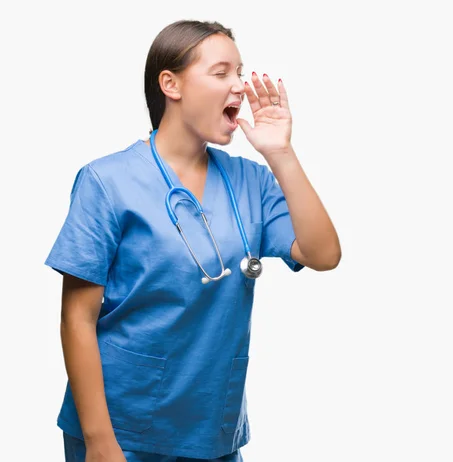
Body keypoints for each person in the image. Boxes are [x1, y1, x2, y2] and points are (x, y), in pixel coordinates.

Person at [44, 19, 341, 462]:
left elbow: (323, 254)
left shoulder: (251, 181)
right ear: (171, 84)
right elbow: (77, 319)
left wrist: (281, 153)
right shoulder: (107, 181)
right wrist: (100, 442)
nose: (239, 86)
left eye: (240, 72)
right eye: (221, 73)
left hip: (213, 431)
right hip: (122, 430)